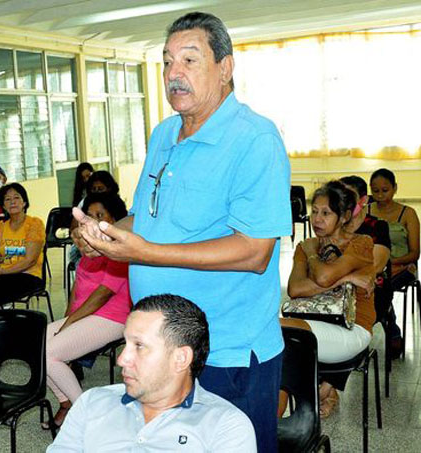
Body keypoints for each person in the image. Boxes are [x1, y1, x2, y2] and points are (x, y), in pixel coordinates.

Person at [71, 11, 291, 451]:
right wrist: (106, 233)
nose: (174, 73)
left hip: (226, 351)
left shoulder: (255, 140)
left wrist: (146, 252)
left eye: (190, 60)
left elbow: (254, 252)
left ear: (225, 69)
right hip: (160, 349)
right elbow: (145, 218)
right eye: (168, 61)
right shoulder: (164, 134)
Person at [48, 294, 256, 452]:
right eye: (125, 344)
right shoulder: (91, 403)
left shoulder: (225, 426)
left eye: (139, 346)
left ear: (181, 358)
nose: (122, 359)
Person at [281, 181, 375, 418]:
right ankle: (275, 427)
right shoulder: (304, 247)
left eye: (326, 213)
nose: (317, 220)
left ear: (344, 216)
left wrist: (315, 254)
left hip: (352, 331)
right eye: (314, 212)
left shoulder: (360, 243)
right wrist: (347, 278)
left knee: (279, 332)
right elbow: (295, 288)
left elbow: (323, 277)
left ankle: (303, 405)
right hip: (314, 324)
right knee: (280, 349)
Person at [44, 193, 131, 429]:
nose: (93, 221)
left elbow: (103, 294)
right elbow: (78, 288)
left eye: (101, 215)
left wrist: (68, 324)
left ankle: (86, 415)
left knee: (50, 353)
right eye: (90, 216)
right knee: (37, 344)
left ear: (116, 220)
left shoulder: (117, 249)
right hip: (86, 315)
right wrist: (67, 318)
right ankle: (66, 403)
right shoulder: (87, 249)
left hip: (111, 317)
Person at [341, 175, 402, 357]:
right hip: (338, 289)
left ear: (363, 200)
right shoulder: (335, 225)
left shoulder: (378, 226)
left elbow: (374, 267)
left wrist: (338, 274)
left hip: (372, 292)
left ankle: (331, 380)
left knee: (348, 321)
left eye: (348, 196)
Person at [0, 183, 45, 317]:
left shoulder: (34, 224)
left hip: (29, 275)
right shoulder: (0, 227)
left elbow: (30, 259)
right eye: (7, 199)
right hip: (1, 276)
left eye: (16, 198)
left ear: (24, 202)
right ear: (3, 206)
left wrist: (4, 270)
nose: (12, 202)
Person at [368, 168, 420, 289]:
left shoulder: (408, 213)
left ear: (395, 188)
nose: (380, 195)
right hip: (371, 265)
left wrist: (390, 262)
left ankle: (383, 306)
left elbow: (415, 253)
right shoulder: (365, 211)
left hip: (398, 266)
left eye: (385, 190)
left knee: (379, 285)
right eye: (375, 191)